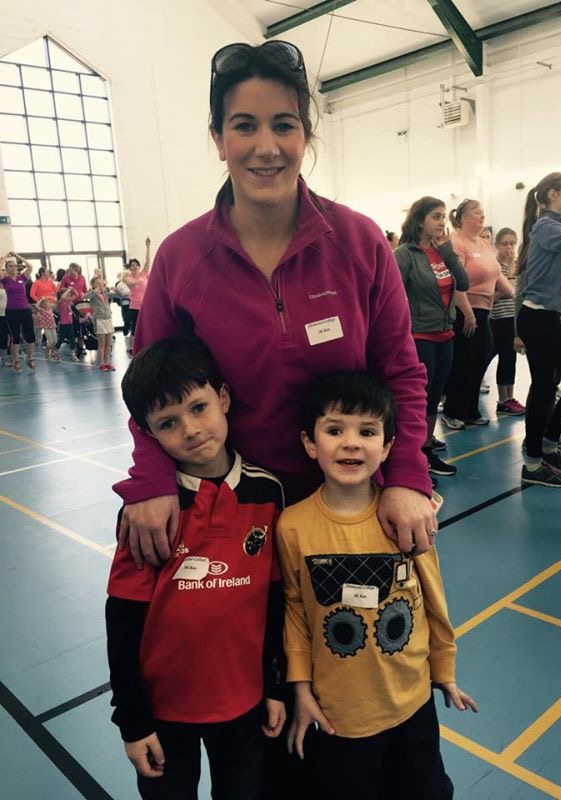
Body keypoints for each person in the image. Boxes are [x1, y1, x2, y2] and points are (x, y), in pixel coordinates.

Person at [114, 40, 434, 575]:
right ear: (218, 139)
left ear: (305, 135)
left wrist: (405, 475)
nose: (267, 147)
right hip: (229, 515)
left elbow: (400, 371)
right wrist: (150, 479)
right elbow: (151, 388)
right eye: (244, 126)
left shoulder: (359, 242)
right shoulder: (182, 258)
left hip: (349, 506)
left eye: (284, 125)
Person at [277, 370, 477, 799]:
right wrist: (300, 689)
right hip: (340, 717)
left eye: (367, 431)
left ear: (387, 447)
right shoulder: (292, 526)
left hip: (413, 705)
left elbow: (432, 599)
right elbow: (295, 610)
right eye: (335, 430)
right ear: (310, 443)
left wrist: (444, 670)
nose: (351, 442)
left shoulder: (406, 519)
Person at [106, 336, 286, 799]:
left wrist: (274, 686)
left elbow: (273, 603)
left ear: (223, 399)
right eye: (168, 422)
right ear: (148, 433)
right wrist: (133, 721)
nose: (190, 429)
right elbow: (122, 620)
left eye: (199, 407)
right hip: (165, 717)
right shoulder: (149, 516)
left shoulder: (267, 492)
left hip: (245, 709)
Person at [517, 172, 561, 488]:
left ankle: (544, 446)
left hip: (551, 320)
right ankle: (534, 460)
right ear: (550, 195)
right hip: (539, 319)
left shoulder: (555, 228)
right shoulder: (547, 227)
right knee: (555, 386)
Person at [395, 197, 469, 477]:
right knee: (419, 399)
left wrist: (448, 253)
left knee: (435, 396)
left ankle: (424, 449)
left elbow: (463, 283)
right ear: (419, 221)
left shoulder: (443, 253)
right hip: (419, 337)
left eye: (442, 217)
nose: (441, 222)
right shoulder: (404, 254)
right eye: (436, 217)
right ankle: (412, 457)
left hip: (445, 335)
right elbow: (393, 295)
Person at [442, 200, 514, 429]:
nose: (481, 216)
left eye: (483, 212)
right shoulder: (456, 242)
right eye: (476, 213)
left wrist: (516, 295)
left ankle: (470, 410)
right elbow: (457, 281)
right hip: (465, 311)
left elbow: (496, 275)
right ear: (462, 217)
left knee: (480, 359)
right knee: (463, 362)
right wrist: (468, 313)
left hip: (485, 311)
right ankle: (453, 410)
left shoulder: (483, 243)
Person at [489, 228, 526, 416]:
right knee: (502, 357)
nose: (509, 247)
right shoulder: (494, 267)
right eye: (505, 243)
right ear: (497, 245)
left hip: (514, 318)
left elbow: (520, 292)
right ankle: (503, 399)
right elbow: (493, 296)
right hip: (498, 319)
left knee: (510, 358)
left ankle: (509, 397)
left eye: (512, 243)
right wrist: (509, 282)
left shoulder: (518, 266)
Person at [0, 252, 36, 371]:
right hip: (12, 311)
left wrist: (17, 256)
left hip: (25, 309)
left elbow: (30, 266)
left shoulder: (22, 278)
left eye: (15, 266)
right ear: (6, 269)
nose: (14, 268)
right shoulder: (5, 280)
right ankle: (16, 361)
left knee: (30, 335)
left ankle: (30, 359)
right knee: (14, 336)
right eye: (10, 266)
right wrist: (5, 258)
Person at [83, 276, 116, 371]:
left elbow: (121, 295)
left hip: (108, 318)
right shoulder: (92, 294)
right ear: (93, 285)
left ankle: (107, 363)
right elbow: (84, 297)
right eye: (97, 283)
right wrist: (94, 291)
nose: (100, 285)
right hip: (99, 319)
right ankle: (101, 363)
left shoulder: (106, 293)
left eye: (101, 283)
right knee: (102, 343)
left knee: (108, 344)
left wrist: (115, 289)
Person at [124, 238, 152, 347]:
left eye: (136, 265)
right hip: (135, 306)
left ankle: (146, 346)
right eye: (132, 265)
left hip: (145, 305)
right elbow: (131, 284)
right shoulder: (128, 277)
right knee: (135, 327)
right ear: (130, 268)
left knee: (146, 327)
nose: (135, 267)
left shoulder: (143, 274)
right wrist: (137, 280)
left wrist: (148, 247)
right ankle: (133, 348)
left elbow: (148, 261)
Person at [56, 287, 79, 362]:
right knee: (61, 339)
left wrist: (72, 289)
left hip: (70, 324)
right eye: (68, 296)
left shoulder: (68, 302)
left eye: (69, 296)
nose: (69, 297)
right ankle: (55, 352)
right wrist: (68, 290)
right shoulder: (60, 302)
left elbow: (76, 294)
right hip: (63, 324)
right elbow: (62, 297)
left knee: (72, 339)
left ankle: (73, 355)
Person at [114, 269, 132, 340]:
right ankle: (125, 332)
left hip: (134, 303)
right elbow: (125, 293)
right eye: (126, 276)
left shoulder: (132, 283)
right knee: (127, 319)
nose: (128, 277)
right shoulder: (120, 284)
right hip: (125, 303)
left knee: (133, 319)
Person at [0, 262, 10, 367]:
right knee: (3, 336)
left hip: (10, 313)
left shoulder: (8, 285)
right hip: (1, 315)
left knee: (10, 336)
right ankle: (4, 358)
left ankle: (8, 355)